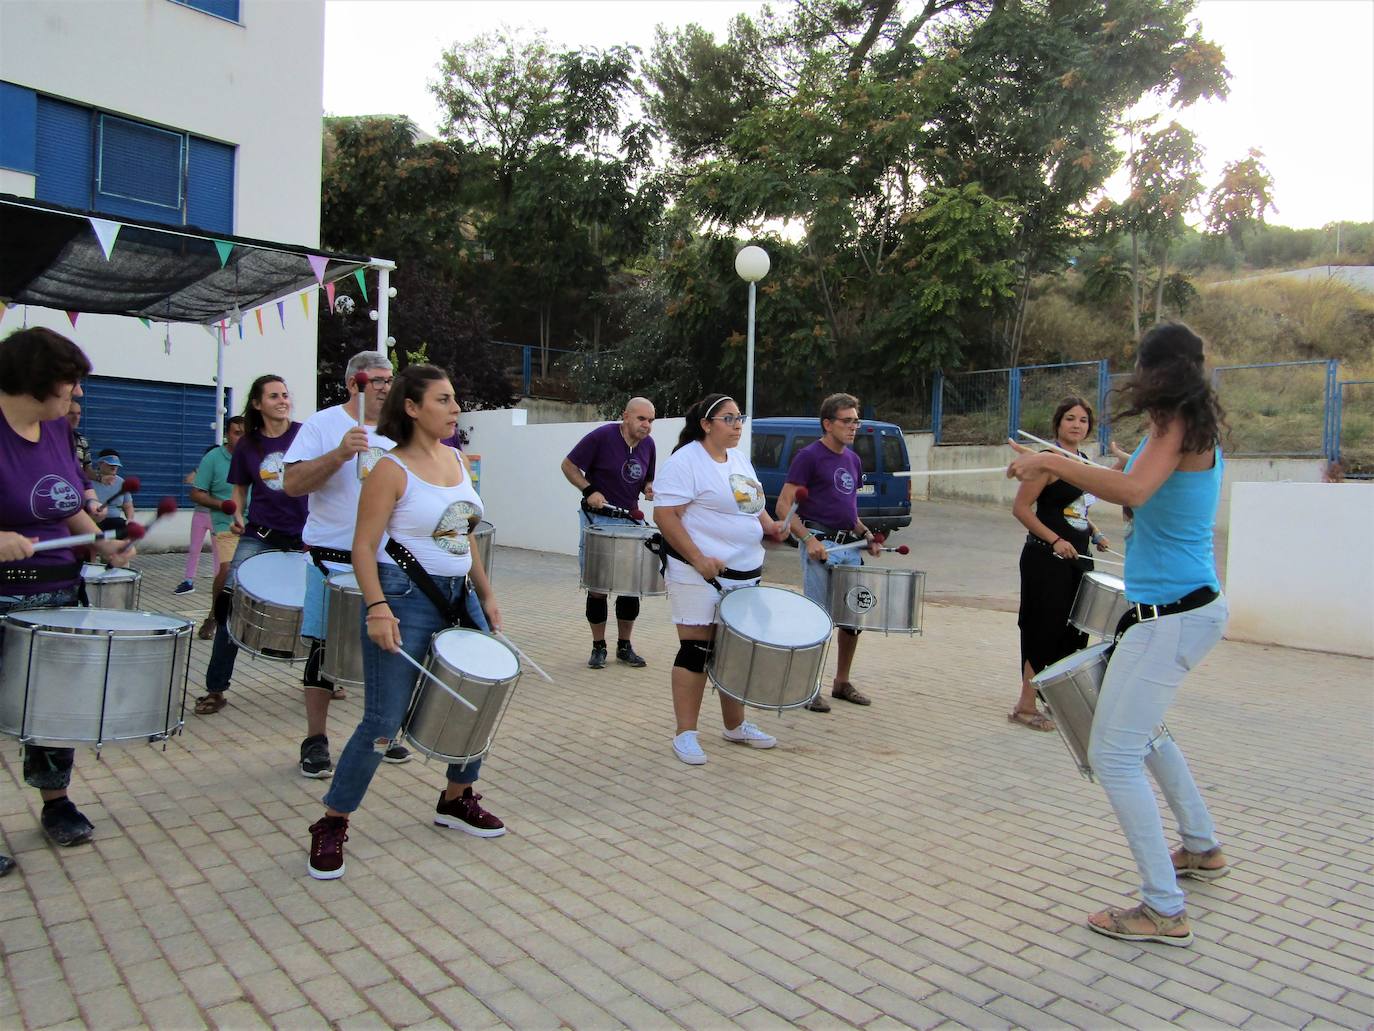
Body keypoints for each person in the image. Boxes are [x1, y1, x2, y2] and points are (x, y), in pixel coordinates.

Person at [1007, 322, 1230, 948]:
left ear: (1157, 371)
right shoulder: (1185, 427)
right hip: (1176, 611)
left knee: (1113, 753)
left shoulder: (1176, 428)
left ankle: (1163, 906)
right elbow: (1131, 490)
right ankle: (1202, 847)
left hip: (1173, 617)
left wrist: (1051, 460)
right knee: (1147, 735)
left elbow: (1131, 490)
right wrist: (1066, 469)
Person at [306, 364, 505, 880]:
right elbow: (363, 548)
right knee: (383, 719)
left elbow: (465, 536)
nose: (455, 408)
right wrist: (376, 607)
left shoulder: (459, 460)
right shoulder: (390, 469)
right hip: (404, 597)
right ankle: (333, 821)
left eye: (454, 398)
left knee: (479, 699)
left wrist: (486, 594)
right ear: (413, 408)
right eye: (443, 399)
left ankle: (456, 798)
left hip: (462, 599)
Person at [0, 327, 136, 875]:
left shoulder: (54, 428)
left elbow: (62, 501)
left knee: (53, 706)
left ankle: (55, 803)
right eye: (69, 383)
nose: (76, 395)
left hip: (56, 589)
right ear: (38, 380)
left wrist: (97, 541)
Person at [283, 351, 409, 776]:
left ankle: (382, 731)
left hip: (388, 561)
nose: (385, 387)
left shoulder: (401, 430)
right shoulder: (323, 424)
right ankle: (315, 738)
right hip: (331, 559)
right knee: (324, 652)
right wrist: (339, 454)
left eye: (389, 379)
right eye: (375, 380)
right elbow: (292, 484)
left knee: (389, 650)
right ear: (353, 384)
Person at [652, 393, 784, 765]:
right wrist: (698, 558)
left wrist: (772, 526)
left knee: (735, 650)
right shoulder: (686, 461)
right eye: (728, 418)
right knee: (697, 651)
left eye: (739, 417)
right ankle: (686, 734)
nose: (737, 424)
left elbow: (752, 505)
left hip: (746, 571)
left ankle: (735, 725)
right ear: (706, 424)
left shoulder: (739, 459)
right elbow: (665, 516)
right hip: (698, 573)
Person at [194, 377, 308, 716]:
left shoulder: (306, 435)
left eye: (285, 394)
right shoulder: (247, 445)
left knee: (319, 608)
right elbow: (240, 488)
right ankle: (216, 688)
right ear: (258, 404)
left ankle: (322, 681)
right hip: (259, 534)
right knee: (230, 604)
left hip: (306, 537)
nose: (282, 400)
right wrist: (237, 515)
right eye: (274, 396)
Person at [775, 393, 882, 713]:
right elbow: (783, 505)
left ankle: (841, 682)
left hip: (849, 547)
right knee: (817, 620)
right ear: (827, 423)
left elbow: (848, 509)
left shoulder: (853, 459)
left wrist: (865, 534)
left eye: (856, 421)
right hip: (822, 546)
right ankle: (808, 687)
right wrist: (808, 539)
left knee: (852, 620)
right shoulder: (808, 457)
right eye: (846, 421)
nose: (853, 427)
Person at [1009, 396, 1111, 731]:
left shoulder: (1082, 461)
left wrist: (1095, 534)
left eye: (1083, 420)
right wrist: (1054, 539)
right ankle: (1025, 704)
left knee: (1072, 630)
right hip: (1045, 558)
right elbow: (1022, 509)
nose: (1076, 425)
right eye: (1070, 418)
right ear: (1057, 423)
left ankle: (1051, 696)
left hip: (1078, 558)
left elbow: (1079, 511)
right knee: (1042, 628)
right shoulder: (1047, 460)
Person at [560, 397, 657, 668]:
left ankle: (624, 646)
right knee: (598, 586)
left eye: (651, 420)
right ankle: (598, 646)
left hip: (630, 522)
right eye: (641, 419)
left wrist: (648, 488)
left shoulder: (648, 445)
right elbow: (568, 465)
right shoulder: (602, 437)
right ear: (625, 416)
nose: (647, 425)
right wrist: (589, 490)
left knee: (630, 588)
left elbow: (645, 477)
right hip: (598, 521)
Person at [175, 418, 246, 615]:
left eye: (245, 433)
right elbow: (196, 493)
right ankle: (214, 615)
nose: (241, 437)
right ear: (227, 434)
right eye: (236, 433)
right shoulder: (213, 458)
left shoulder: (255, 457)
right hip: (224, 523)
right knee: (225, 571)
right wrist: (221, 504)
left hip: (253, 525)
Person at [91, 449, 135, 531]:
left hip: (115, 521)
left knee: (129, 530)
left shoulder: (122, 482)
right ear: (100, 463)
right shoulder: (89, 480)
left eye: (116, 465)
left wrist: (130, 519)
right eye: (110, 464)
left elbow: (128, 506)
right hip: (94, 521)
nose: (114, 467)